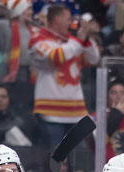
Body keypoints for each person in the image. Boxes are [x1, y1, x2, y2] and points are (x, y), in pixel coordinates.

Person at [29, 4, 100, 148]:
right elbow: (56, 56)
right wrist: (78, 40)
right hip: (50, 112)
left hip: (76, 111)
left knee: (80, 158)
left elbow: (93, 59)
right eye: (68, 19)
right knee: (54, 158)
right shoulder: (38, 39)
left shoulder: (73, 41)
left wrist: (86, 40)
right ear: (57, 19)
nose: (71, 23)